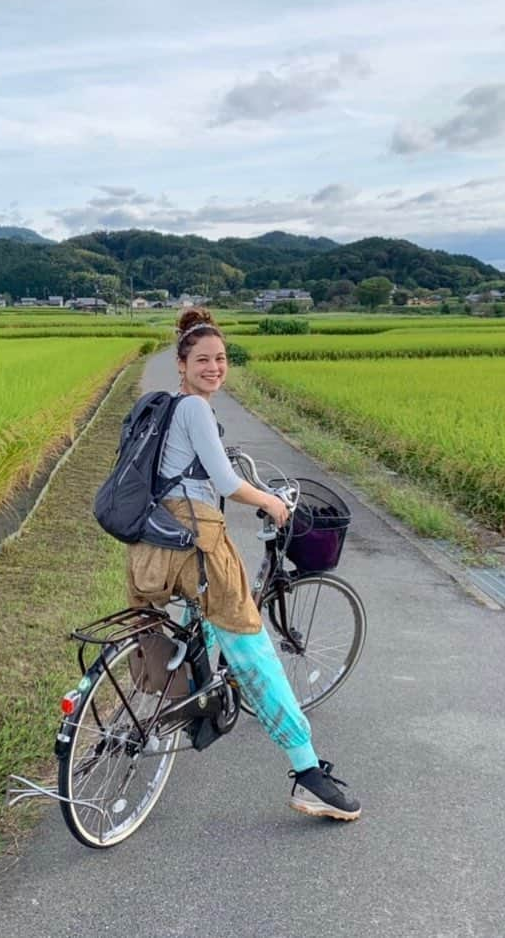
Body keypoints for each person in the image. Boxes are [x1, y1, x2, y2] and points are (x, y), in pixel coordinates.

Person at [125, 307, 361, 821]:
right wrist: (272, 503)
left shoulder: (166, 410)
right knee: (253, 649)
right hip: (196, 546)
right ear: (181, 365)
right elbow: (230, 487)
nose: (215, 367)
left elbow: (204, 467)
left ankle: (190, 709)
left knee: (184, 623)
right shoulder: (193, 410)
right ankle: (308, 774)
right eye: (203, 359)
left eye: (222, 358)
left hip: (151, 544)